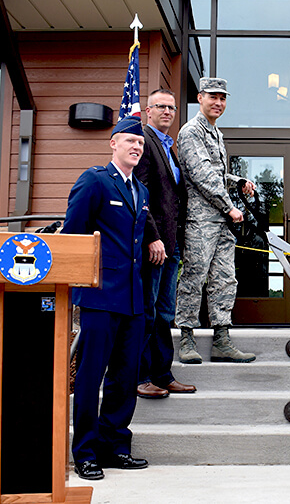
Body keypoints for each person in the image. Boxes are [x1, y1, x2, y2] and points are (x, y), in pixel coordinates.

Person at [61, 115, 151, 481]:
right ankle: (84, 452)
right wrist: (74, 290)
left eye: (141, 144)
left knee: (125, 378)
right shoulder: (95, 182)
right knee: (90, 377)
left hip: (133, 301)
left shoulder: (140, 192)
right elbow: (73, 237)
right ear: (113, 143)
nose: (136, 147)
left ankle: (115, 446)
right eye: (129, 140)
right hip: (99, 298)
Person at [175, 77, 256, 363]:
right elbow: (202, 175)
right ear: (200, 98)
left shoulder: (215, 132)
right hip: (201, 219)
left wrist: (238, 180)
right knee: (194, 277)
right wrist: (230, 206)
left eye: (222, 98)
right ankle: (186, 339)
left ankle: (221, 338)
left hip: (221, 221)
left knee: (224, 279)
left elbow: (218, 174)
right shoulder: (191, 132)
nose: (218, 103)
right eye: (213, 97)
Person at [135, 88, 196, 399]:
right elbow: (141, 194)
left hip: (171, 247)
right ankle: (141, 375)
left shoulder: (168, 147)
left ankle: (163, 374)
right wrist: (152, 237)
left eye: (172, 108)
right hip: (154, 247)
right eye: (161, 107)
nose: (168, 112)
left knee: (164, 313)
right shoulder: (144, 142)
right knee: (147, 311)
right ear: (149, 111)